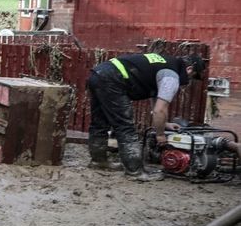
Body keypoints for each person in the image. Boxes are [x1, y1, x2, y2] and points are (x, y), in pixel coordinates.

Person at [86, 52, 206, 181]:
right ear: (189, 69)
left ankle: (99, 161)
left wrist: (164, 124)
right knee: (125, 127)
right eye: (193, 76)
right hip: (114, 79)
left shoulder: (163, 63)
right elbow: (160, 110)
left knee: (100, 122)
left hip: (99, 73)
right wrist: (160, 135)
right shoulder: (172, 76)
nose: (189, 80)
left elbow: (156, 106)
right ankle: (135, 172)